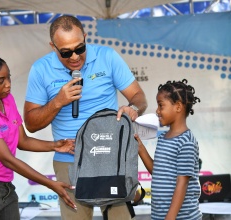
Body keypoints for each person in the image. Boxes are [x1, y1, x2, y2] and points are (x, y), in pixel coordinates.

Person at [24, 15, 147, 220]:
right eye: (66, 52)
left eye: (80, 48)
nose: (74, 57)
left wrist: (133, 108)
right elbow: (31, 124)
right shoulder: (40, 69)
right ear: (52, 47)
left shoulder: (107, 56)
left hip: (111, 157)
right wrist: (57, 102)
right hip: (69, 160)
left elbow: (139, 96)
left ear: (86, 37)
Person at [0, 52, 77, 220]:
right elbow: (8, 159)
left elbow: (22, 141)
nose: (8, 85)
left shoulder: (7, 99)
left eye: (8, 77)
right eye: (0, 81)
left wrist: (55, 145)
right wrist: (50, 183)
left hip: (5, 186)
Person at [135, 79, 202, 220]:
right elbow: (157, 171)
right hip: (160, 216)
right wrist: (139, 147)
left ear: (178, 107)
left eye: (161, 106)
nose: (157, 111)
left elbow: (182, 183)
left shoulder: (186, 142)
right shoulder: (163, 137)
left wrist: (170, 217)